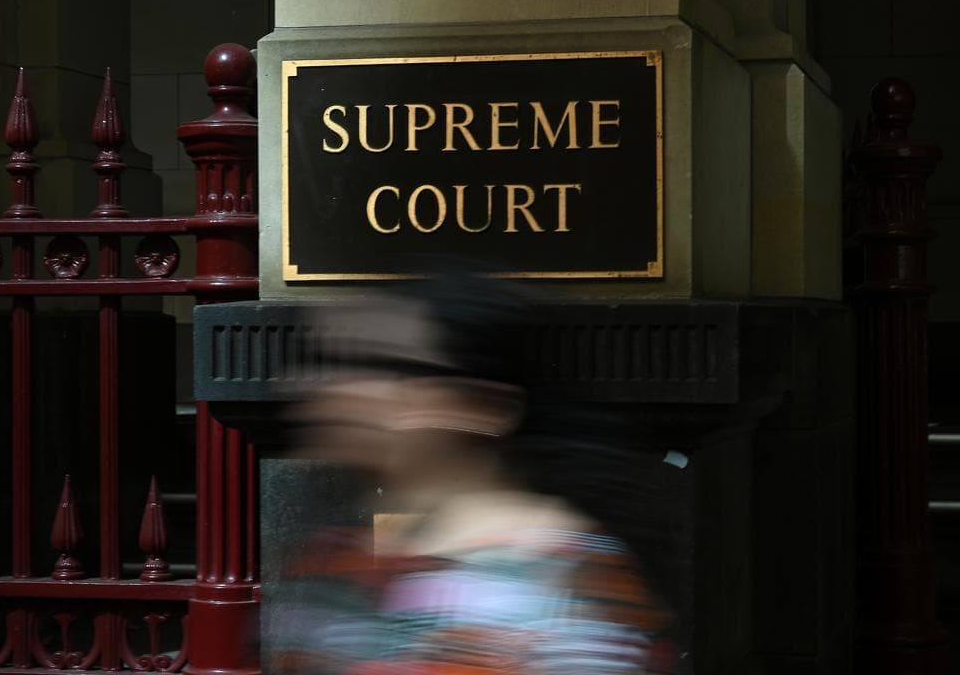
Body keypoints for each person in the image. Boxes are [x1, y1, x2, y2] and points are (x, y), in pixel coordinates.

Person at [266, 269, 678, 675]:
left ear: (483, 406)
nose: (329, 384)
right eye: (324, 360)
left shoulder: (569, 580)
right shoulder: (335, 560)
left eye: (374, 364)